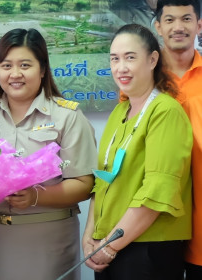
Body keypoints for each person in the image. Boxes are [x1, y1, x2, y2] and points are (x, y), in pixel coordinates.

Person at [0, 28, 98, 280]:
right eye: (6, 65)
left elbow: (84, 184)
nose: (15, 74)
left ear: (42, 69)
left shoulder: (67, 116)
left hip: (48, 246)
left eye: (25, 65)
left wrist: (35, 196)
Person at [82, 23, 192, 280]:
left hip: (149, 248)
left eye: (130, 58)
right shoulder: (119, 112)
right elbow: (103, 181)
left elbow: (157, 192)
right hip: (111, 243)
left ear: (153, 59)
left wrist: (108, 247)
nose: (121, 68)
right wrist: (90, 236)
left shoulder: (165, 111)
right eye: (115, 59)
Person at [154, 0, 202, 279]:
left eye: (186, 19)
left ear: (199, 25)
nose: (178, 27)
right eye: (170, 20)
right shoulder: (144, 76)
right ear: (158, 27)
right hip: (157, 220)